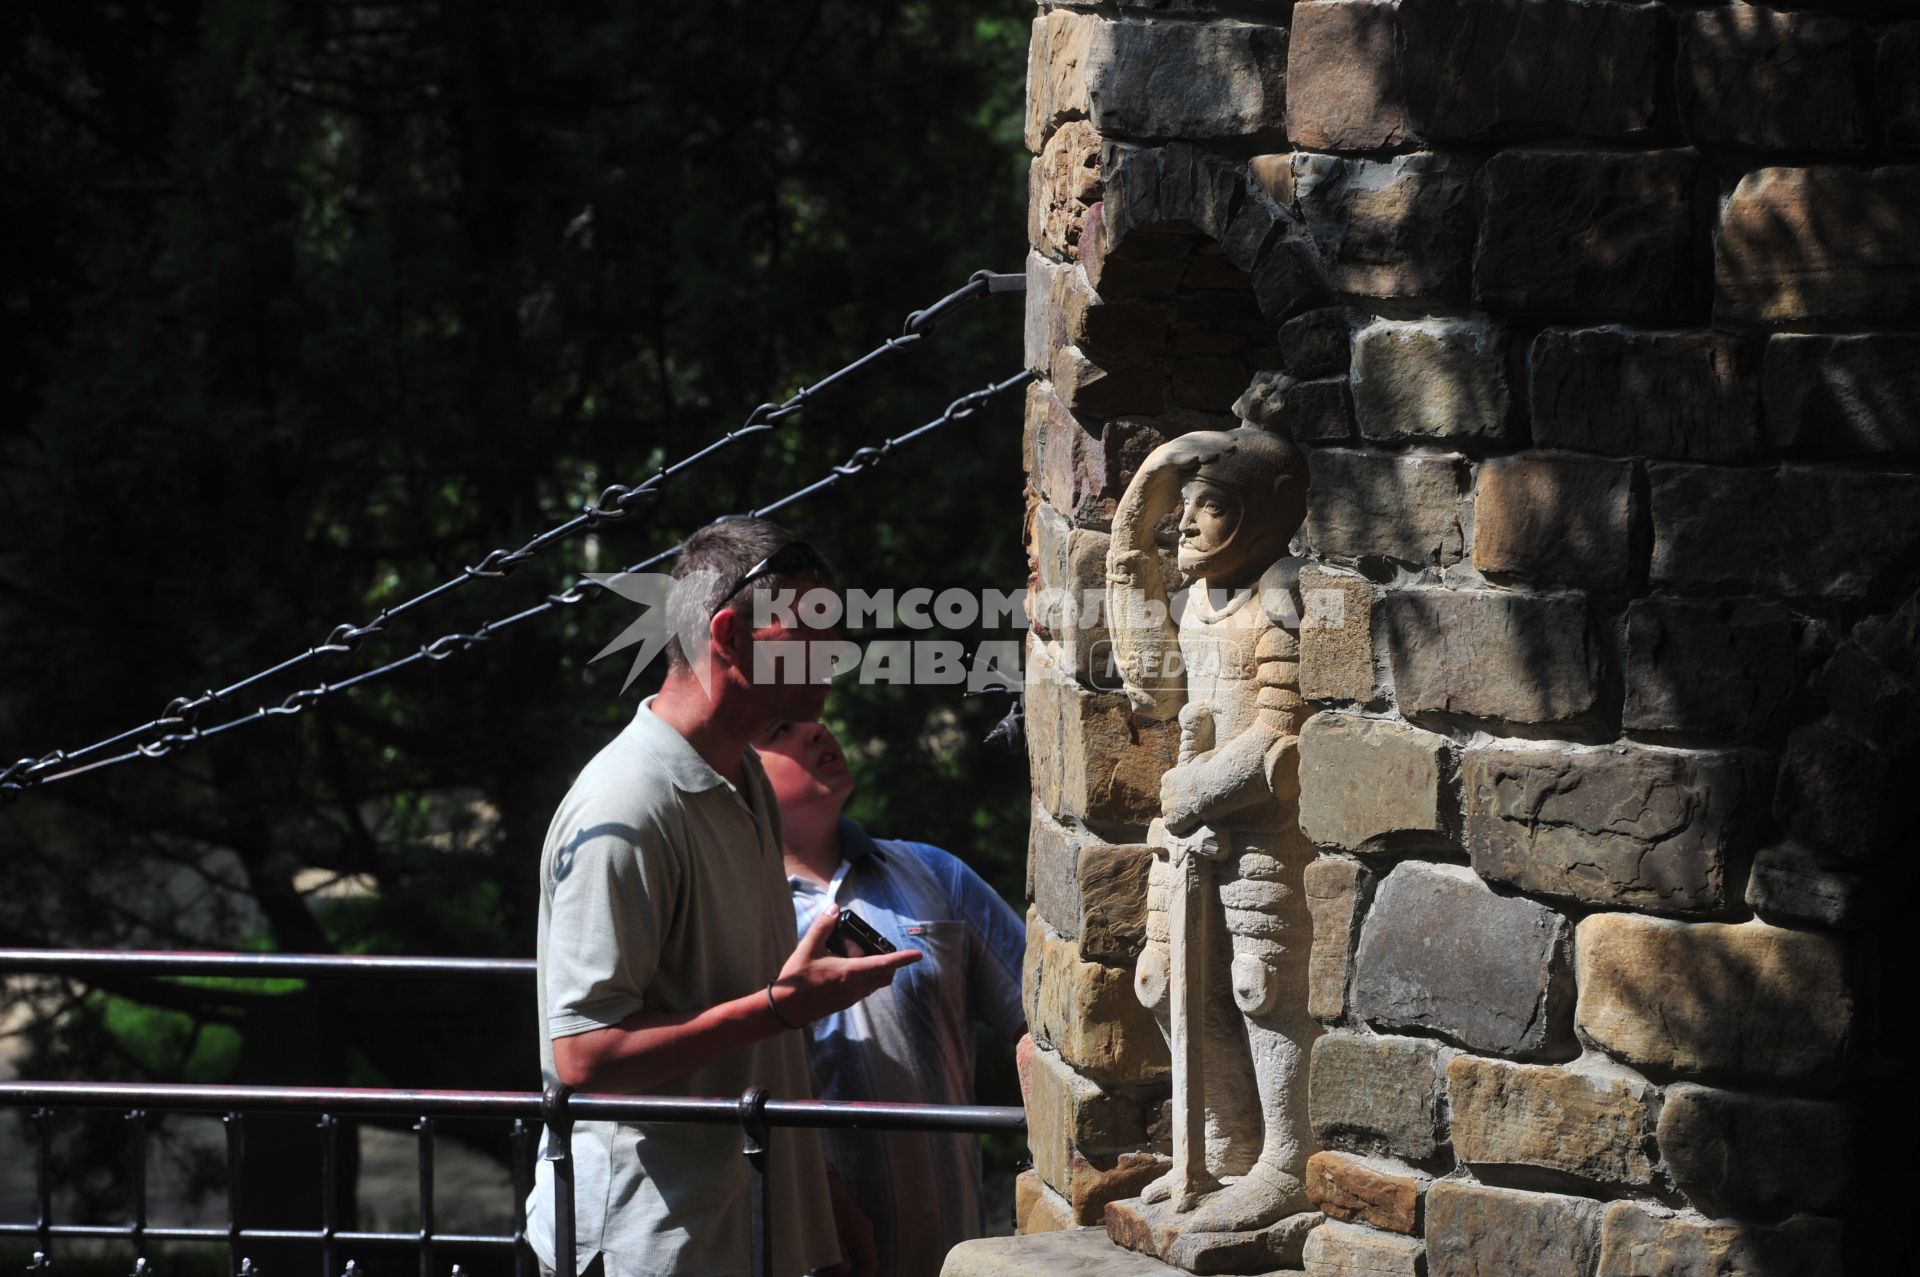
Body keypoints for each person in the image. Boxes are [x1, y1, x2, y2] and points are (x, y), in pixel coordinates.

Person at [526, 518, 920, 1277]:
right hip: (653, 1249)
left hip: (753, 1227)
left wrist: (822, 1196)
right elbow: (581, 1057)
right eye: (810, 630)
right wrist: (780, 1005)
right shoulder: (625, 805)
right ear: (732, 637)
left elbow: (750, 1012)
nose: (835, 652)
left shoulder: (746, 781)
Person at [754, 715, 1029, 1277]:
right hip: (807, 1252)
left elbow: (1046, 1016)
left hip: (950, 1248)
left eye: (814, 717)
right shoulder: (739, 913)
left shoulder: (934, 873)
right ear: (738, 772)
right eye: (781, 728)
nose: (816, 731)